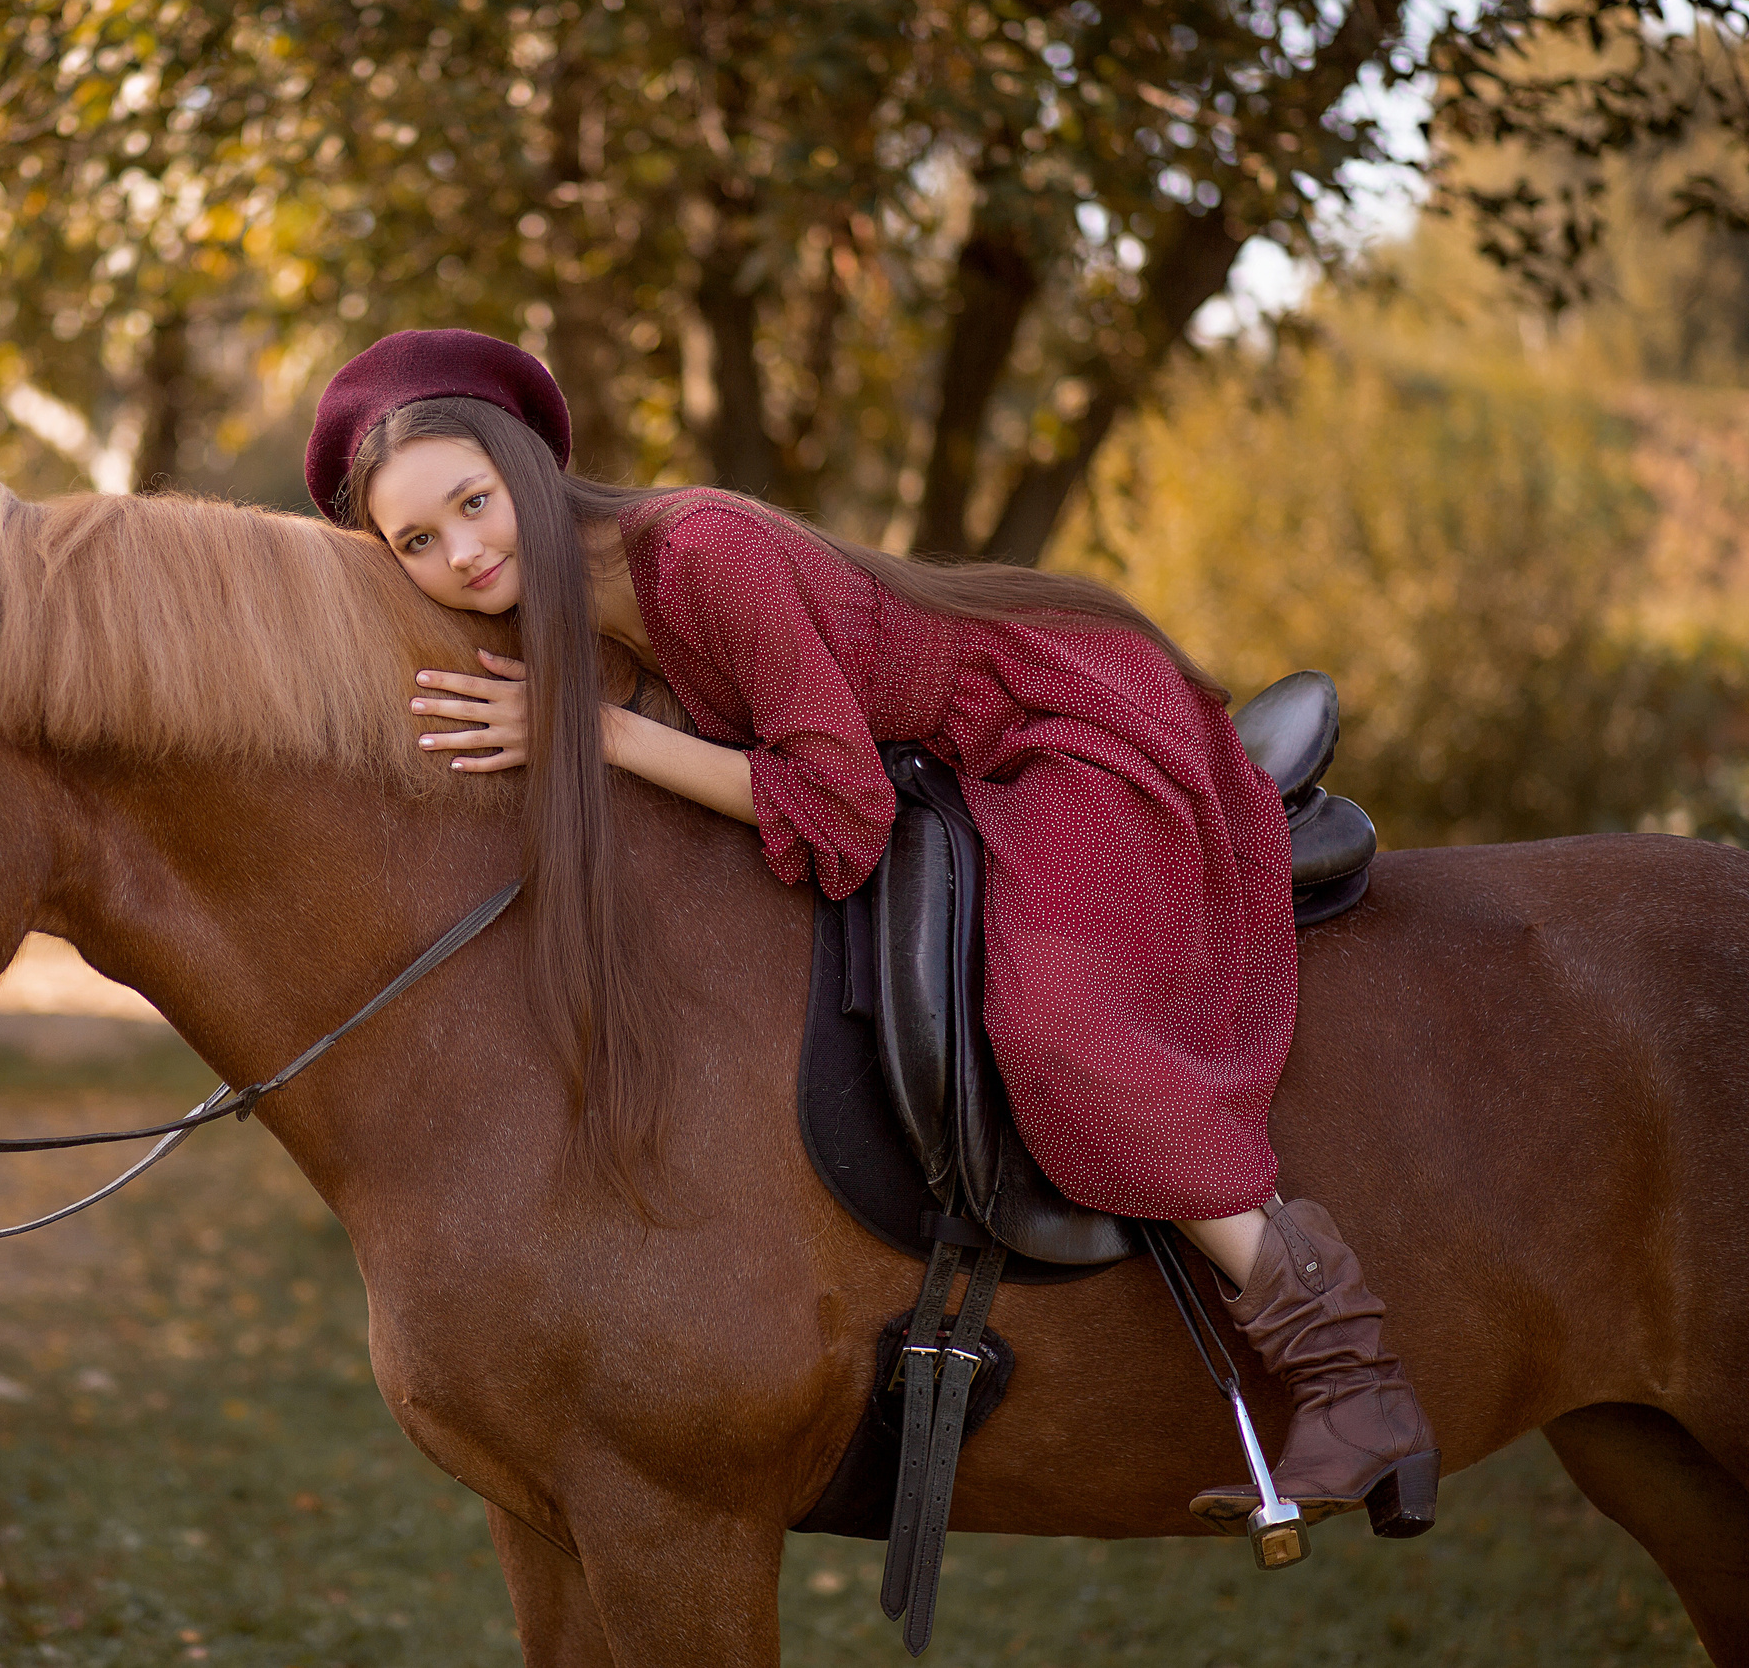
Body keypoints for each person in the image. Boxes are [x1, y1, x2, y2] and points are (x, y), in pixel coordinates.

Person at [301, 327, 1438, 1536]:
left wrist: (604, 736)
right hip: (957, 752)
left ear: (526, 467)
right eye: (415, 542)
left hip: (1047, 725)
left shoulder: (698, 552)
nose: (461, 553)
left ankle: (1351, 1377)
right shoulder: (567, 605)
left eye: (473, 503)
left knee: (1058, 1032)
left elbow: (843, 811)